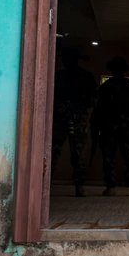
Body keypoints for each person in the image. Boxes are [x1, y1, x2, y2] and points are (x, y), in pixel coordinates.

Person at [93, 56, 129, 197]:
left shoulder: (127, 87)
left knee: (127, 158)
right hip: (113, 127)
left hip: (122, 127)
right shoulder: (107, 87)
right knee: (114, 157)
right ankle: (118, 185)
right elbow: (100, 109)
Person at [51, 47, 98, 197]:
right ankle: (48, 184)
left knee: (76, 153)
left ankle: (79, 184)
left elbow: (92, 99)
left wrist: (80, 110)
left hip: (76, 119)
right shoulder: (60, 76)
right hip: (63, 118)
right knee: (55, 152)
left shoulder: (83, 77)